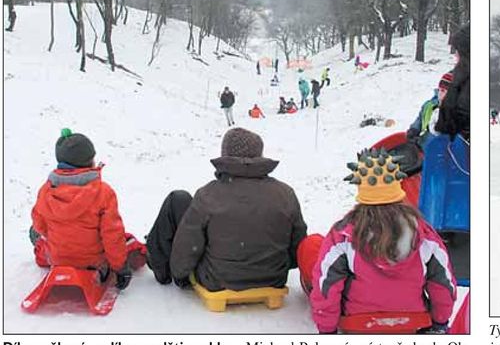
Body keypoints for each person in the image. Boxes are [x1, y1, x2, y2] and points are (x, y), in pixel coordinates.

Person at [308, 151, 456, 334]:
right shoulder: (423, 234)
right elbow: (442, 283)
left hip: (357, 324)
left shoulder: (343, 236)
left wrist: (327, 329)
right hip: (412, 323)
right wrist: (440, 321)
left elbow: (327, 285)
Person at [166, 127, 307, 293]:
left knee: (179, 201)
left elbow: (186, 250)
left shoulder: (208, 194)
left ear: (225, 154)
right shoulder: (286, 194)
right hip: (272, 279)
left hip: (218, 280)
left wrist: (179, 273)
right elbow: (298, 247)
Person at [31, 130, 136, 290]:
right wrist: (120, 268)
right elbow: (112, 236)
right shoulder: (103, 193)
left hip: (58, 260)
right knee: (125, 240)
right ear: (89, 162)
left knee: (37, 233)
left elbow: (40, 226)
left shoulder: (45, 191)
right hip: (94, 264)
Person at [436, 23, 470, 142]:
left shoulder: (464, 80)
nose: (455, 54)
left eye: (458, 51)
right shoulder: (460, 77)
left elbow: (457, 116)